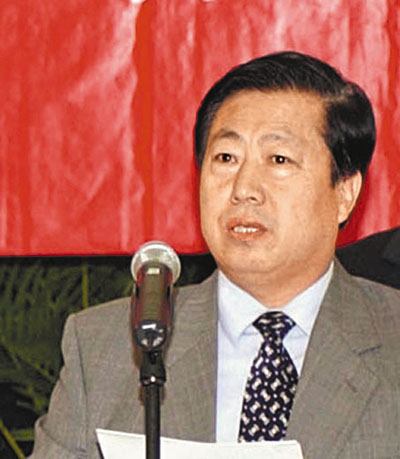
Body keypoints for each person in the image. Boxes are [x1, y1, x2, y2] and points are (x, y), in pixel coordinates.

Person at [30, 52, 400, 459]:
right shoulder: (104, 347)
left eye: (278, 160)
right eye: (226, 158)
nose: (244, 188)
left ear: (344, 193)